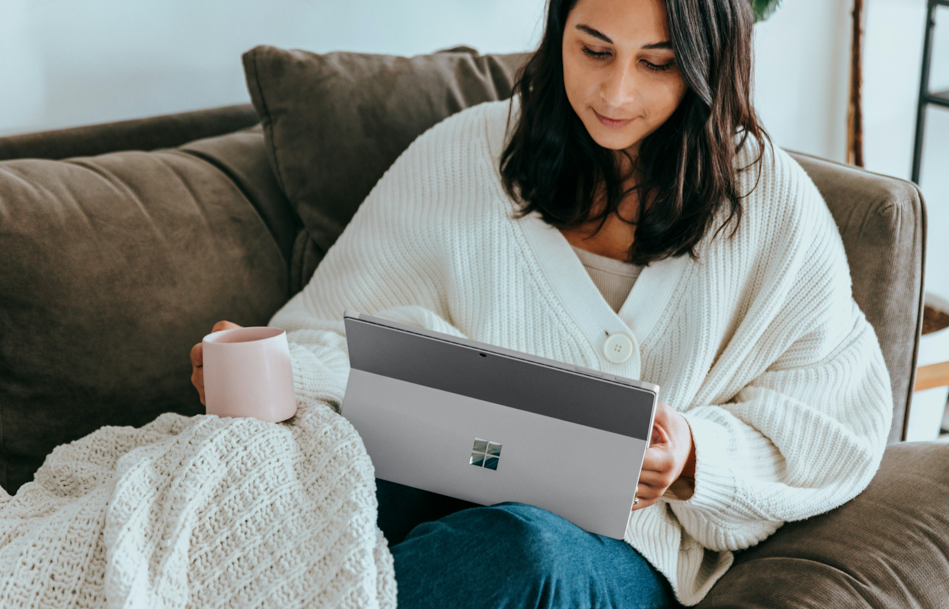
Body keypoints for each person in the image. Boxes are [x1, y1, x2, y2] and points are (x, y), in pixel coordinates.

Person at [190, 0, 895, 605]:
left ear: (707, 63)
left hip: (607, 549)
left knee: (521, 552)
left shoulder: (766, 203)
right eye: (592, 50)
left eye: (656, 63)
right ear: (558, 31)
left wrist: (692, 455)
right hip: (431, 486)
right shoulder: (467, 152)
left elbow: (837, 416)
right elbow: (329, 330)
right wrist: (274, 368)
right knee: (294, 486)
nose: (615, 92)